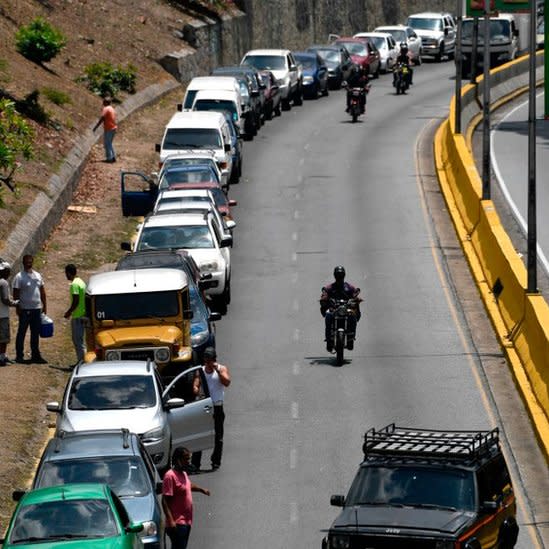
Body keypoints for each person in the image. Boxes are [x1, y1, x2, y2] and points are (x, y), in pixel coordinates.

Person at [191, 347, 231, 471]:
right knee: (200, 434)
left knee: (218, 436)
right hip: (204, 407)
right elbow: (196, 384)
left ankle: (216, 462)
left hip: (217, 407)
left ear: (214, 360)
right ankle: (195, 463)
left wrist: (217, 370)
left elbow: (227, 382)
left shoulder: (221, 369)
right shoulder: (201, 371)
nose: (207, 363)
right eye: (206, 360)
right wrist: (196, 389)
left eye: (209, 361)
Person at [162, 447, 210, 549]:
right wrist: (171, 521)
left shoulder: (183, 473)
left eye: (189, 458)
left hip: (187, 521)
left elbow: (188, 485)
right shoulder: (170, 476)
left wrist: (201, 489)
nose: (188, 462)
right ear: (178, 459)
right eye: (186, 459)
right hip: (177, 523)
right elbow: (165, 501)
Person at [12, 254, 47, 364]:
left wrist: (45, 305)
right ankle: (19, 355)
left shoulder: (38, 275)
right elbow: (15, 293)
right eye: (27, 262)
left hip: (36, 309)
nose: (29, 264)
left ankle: (35, 355)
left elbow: (42, 291)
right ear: (23, 263)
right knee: (21, 332)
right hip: (25, 310)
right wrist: (18, 307)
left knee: (35, 333)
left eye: (30, 262)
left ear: (32, 262)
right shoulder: (19, 277)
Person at [320, 266, 362, 352]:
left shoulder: (349, 287)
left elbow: (355, 293)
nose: (339, 277)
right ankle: (329, 341)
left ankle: (351, 339)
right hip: (334, 309)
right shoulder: (330, 287)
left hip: (346, 309)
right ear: (335, 276)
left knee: (353, 315)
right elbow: (325, 292)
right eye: (338, 275)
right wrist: (324, 297)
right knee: (328, 315)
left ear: (344, 275)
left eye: (341, 275)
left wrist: (355, 298)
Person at [63, 264, 87, 366]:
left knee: (77, 340)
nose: (66, 276)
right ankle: (81, 361)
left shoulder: (74, 285)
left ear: (68, 273)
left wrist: (69, 312)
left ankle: (83, 363)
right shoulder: (81, 282)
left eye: (66, 274)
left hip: (77, 316)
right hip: (83, 314)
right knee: (80, 340)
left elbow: (76, 300)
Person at [0, 262, 19, 366]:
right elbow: (5, 299)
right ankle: (1, 358)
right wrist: (14, 303)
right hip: (2, 315)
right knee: (3, 338)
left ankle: (2, 356)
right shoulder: (4, 283)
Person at [93, 97, 117, 163]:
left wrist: (96, 127)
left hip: (109, 128)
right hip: (113, 128)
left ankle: (109, 158)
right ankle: (113, 156)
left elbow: (102, 117)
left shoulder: (106, 109)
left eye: (103, 102)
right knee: (109, 143)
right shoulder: (112, 108)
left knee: (107, 144)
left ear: (106, 102)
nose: (102, 103)